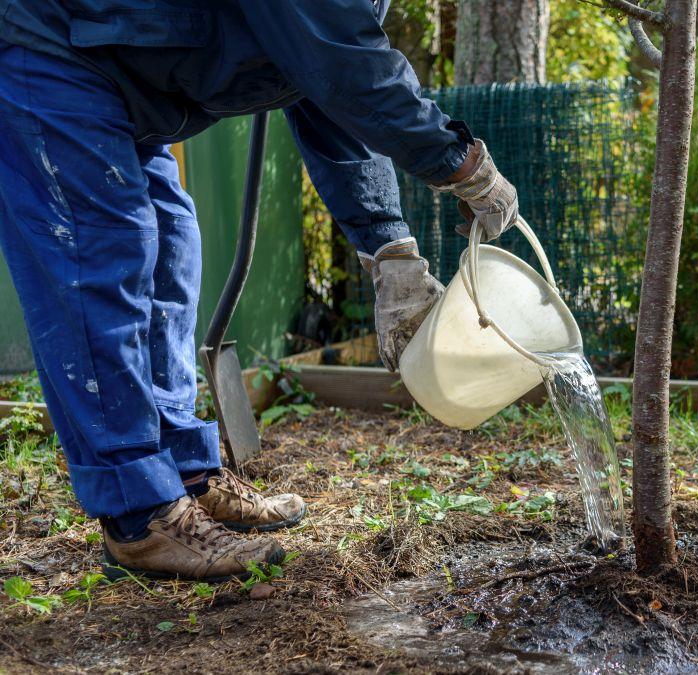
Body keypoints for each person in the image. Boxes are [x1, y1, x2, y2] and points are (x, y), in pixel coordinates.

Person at [0, 0, 519, 582]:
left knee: (172, 244)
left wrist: (389, 248)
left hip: (128, 71)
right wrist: (458, 161)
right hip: (52, 47)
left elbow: (324, 87)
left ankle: (185, 473)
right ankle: (138, 515)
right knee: (102, 258)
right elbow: (342, 61)